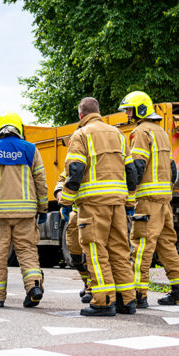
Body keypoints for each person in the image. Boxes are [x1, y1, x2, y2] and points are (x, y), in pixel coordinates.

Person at [59, 97, 138, 316]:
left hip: (93, 204)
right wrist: (130, 200)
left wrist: (66, 201)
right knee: (120, 251)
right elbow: (131, 172)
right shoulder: (118, 134)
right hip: (118, 204)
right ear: (99, 112)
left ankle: (103, 301)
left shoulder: (81, 135)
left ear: (80, 115)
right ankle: (126, 300)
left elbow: (75, 169)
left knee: (95, 250)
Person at [119, 91, 179, 306]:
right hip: (164, 200)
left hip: (147, 200)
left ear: (140, 109)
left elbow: (138, 166)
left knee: (141, 246)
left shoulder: (140, 132)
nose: (127, 115)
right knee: (167, 245)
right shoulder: (161, 131)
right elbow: (172, 169)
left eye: (130, 110)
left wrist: (129, 194)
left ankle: (137, 294)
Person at [0, 112, 48, 308]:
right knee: (27, 251)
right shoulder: (31, 149)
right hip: (25, 213)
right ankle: (34, 286)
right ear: (19, 129)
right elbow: (40, 180)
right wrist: (42, 208)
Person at [54, 171, 91, 303]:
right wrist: (59, 191)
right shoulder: (79, 156)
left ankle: (92, 288)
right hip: (76, 212)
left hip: (93, 210)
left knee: (91, 253)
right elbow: (65, 176)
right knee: (75, 255)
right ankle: (87, 282)